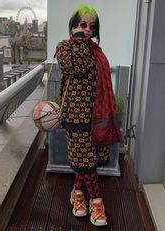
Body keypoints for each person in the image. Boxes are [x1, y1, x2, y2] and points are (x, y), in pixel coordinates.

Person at [55, 4, 122, 227]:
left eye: (91, 27)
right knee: (88, 162)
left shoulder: (97, 51)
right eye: (83, 25)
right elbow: (77, 68)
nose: (88, 30)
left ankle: (76, 193)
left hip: (96, 114)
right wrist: (80, 41)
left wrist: (85, 42)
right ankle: (96, 201)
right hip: (76, 116)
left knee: (88, 160)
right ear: (73, 25)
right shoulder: (64, 47)